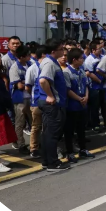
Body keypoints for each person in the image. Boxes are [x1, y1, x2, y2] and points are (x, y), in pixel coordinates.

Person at [37, 39, 70, 171]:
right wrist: (50, 95)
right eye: (61, 49)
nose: (63, 52)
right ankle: (53, 162)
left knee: (48, 133)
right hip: (51, 104)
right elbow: (43, 80)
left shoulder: (51, 61)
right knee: (52, 134)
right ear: (53, 51)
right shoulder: (49, 63)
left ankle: (47, 161)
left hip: (51, 103)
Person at [63, 48, 95, 160]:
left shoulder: (81, 70)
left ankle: (83, 149)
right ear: (74, 60)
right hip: (72, 105)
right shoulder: (66, 72)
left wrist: (86, 97)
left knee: (81, 129)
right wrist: (79, 99)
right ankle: (70, 152)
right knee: (70, 130)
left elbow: (86, 85)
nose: (82, 60)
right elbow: (68, 90)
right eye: (81, 58)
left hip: (82, 104)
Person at [8, 45, 31, 154]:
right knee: (20, 122)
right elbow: (19, 86)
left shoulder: (30, 64)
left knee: (33, 122)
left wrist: (24, 82)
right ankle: (21, 144)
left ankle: (35, 143)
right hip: (20, 99)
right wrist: (28, 83)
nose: (30, 56)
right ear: (21, 57)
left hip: (30, 97)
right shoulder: (14, 68)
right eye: (28, 55)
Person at [25, 46, 46, 158]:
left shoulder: (48, 66)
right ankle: (33, 148)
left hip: (47, 101)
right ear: (43, 55)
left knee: (46, 126)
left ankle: (43, 145)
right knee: (36, 126)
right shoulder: (32, 68)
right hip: (37, 101)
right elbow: (28, 87)